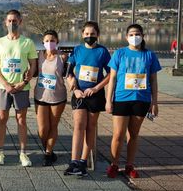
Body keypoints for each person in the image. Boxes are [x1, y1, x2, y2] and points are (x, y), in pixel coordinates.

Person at [105, 24, 161, 178]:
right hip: (122, 99)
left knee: (134, 134)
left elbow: (154, 81)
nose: (134, 36)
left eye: (137, 34)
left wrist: (154, 102)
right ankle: (114, 165)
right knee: (118, 134)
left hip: (141, 100)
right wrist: (108, 101)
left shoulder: (150, 55)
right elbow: (113, 78)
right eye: (131, 34)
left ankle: (129, 165)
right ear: (126, 37)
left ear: (143, 36)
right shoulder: (120, 53)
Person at [0, 9, 37, 166]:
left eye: (15, 21)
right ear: (5, 22)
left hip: (21, 88)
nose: (12, 23)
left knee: (21, 120)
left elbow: (32, 66)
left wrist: (23, 83)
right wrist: (5, 84)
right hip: (3, 88)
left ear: (20, 22)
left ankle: (23, 154)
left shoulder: (27, 42)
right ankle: (0, 153)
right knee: (2, 119)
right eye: (9, 21)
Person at [65, 21, 111, 176]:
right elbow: (69, 73)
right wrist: (75, 89)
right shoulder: (77, 50)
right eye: (86, 34)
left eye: (92, 34)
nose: (89, 36)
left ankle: (83, 162)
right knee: (78, 125)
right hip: (79, 94)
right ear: (82, 34)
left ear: (97, 35)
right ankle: (74, 162)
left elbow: (111, 74)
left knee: (91, 127)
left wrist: (97, 88)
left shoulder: (102, 51)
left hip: (95, 95)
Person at [34, 30, 67, 166]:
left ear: (57, 42)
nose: (49, 43)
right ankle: (49, 150)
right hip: (41, 96)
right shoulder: (38, 55)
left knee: (53, 126)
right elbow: (31, 69)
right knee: (42, 129)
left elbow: (72, 72)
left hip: (57, 96)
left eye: (52, 40)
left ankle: (48, 153)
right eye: (47, 40)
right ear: (43, 42)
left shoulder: (63, 57)